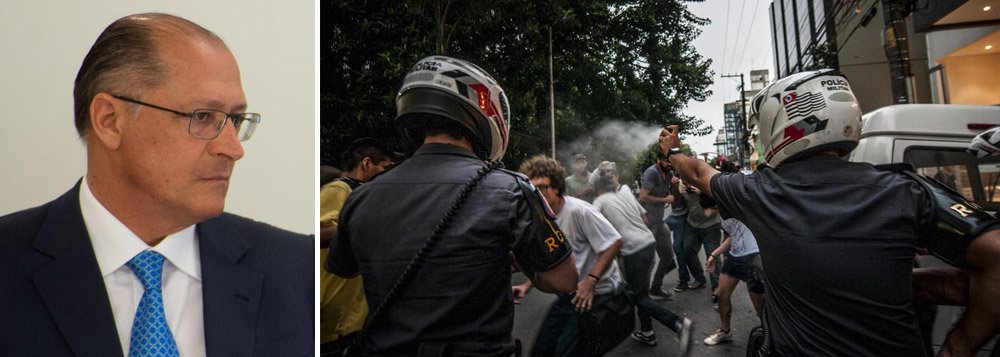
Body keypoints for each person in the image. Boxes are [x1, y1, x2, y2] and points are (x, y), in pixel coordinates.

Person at [0, 13, 313, 356]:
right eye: (203, 116)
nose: (233, 148)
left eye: (235, 120)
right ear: (110, 121)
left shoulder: (298, 269)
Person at [660, 68, 1000, 356]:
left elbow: (696, 173)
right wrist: (959, 346)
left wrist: (672, 148)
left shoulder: (762, 191)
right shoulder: (905, 189)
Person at [329, 55, 577, 355]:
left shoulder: (361, 197)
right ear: (483, 111)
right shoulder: (511, 189)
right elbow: (563, 279)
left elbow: (344, 267)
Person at [512, 155, 625, 357]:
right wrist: (527, 285)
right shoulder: (542, 219)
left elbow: (614, 242)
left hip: (595, 295)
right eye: (532, 189)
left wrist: (591, 281)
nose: (536, 194)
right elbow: (553, 258)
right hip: (568, 296)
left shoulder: (579, 211)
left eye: (542, 188)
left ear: (556, 187)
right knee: (541, 351)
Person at [590, 162, 693, 353]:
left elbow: (594, 231)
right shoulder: (626, 191)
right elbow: (644, 217)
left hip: (633, 251)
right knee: (640, 292)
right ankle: (647, 332)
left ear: (597, 188)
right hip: (647, 242)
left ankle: (678, 324)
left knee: (639, 296)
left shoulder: (599, 203)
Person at [318, 138, 394, 355]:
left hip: (353, 316)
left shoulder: (365, 195)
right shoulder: (339, 188)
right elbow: (317, 234)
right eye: (385, 167)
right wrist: (363, 225)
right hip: (332, 309)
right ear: (367, 163)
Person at [702, 217, 764, 346]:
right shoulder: (722, 211)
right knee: (721, 295)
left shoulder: (740, 202)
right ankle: (725, 331)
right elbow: (733, 236)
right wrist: (715, 254)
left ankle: (769, 334)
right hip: (735, 257)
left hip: (753, 257)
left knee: (760, 308)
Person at [637, 152, 678, 299]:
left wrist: (674, 184)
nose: (669, 164)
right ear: (658, 160)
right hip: (647, 222)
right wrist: (664, 199)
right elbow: (643, 196)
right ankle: (641, 294)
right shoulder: (651, 173)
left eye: (670, 161)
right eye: (666, 161)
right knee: (649, 259)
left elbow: (672, 195)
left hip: (659, 221)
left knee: (667, 255)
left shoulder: (669, 173)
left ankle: (655, 288)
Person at [677, 178, 721, 294]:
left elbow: (720, 198)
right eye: (685, 181)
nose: (688, 185)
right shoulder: (681, 186)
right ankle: (699, 278)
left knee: (712, 255)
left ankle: (717, 288)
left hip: (711, 224)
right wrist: (676, 191)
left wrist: (701, 192)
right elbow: (675, 205)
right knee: (687, 250)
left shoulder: (705, 183)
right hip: (693, 223)